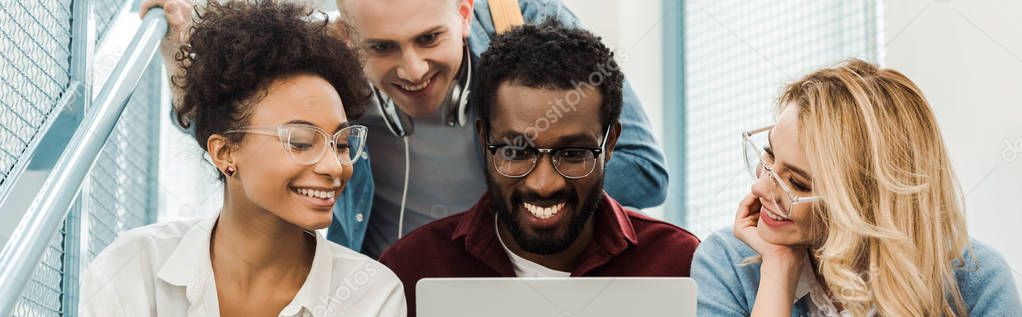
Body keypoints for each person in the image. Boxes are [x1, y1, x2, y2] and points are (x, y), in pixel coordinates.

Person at [143, 0, 670, 258]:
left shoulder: (524, 20)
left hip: (519, 282)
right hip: (385, 292)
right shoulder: (322, 60)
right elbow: (231, 130)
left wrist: (518, 158)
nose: (413, 71)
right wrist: (179, 51)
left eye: (429, 38)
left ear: (464, 13)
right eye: (382, 49)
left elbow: (645, 173)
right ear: (349, 37)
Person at [79, 2, 405, 316]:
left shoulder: (371, 295)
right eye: (302, 142)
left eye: (342, 144)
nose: (334, 167)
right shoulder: (134, 269)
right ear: (224, 152)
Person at [377, 20, 700, 317]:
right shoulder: (410, 269)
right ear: (483, 138)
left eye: (573, 153)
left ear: (610, 143)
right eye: (516, 151)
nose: (544, 184)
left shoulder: (680, 263)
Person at [692, 59, 1022, 316]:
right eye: (768, 156)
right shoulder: (727, 263)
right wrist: (778, 269)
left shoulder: (978, 282)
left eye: (797, 182)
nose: (761, 188)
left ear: (869, 203)